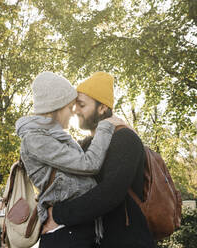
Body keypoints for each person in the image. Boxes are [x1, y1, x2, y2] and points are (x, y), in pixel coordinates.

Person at [42, 72, 156, 248]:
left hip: (127, 241)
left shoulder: (124, 138)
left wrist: (57, 215)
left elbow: (110, 193)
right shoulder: (85, 146)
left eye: (81, 105)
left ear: (102, 108)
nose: (75, 110)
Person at [15, 71, 125, 248]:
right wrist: (107, 125)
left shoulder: (52, 137)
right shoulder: (36, 140)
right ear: (55, 109)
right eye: (69, 107)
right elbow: (89, 164)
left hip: (74, 229)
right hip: (64, 234)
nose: (73, 113)